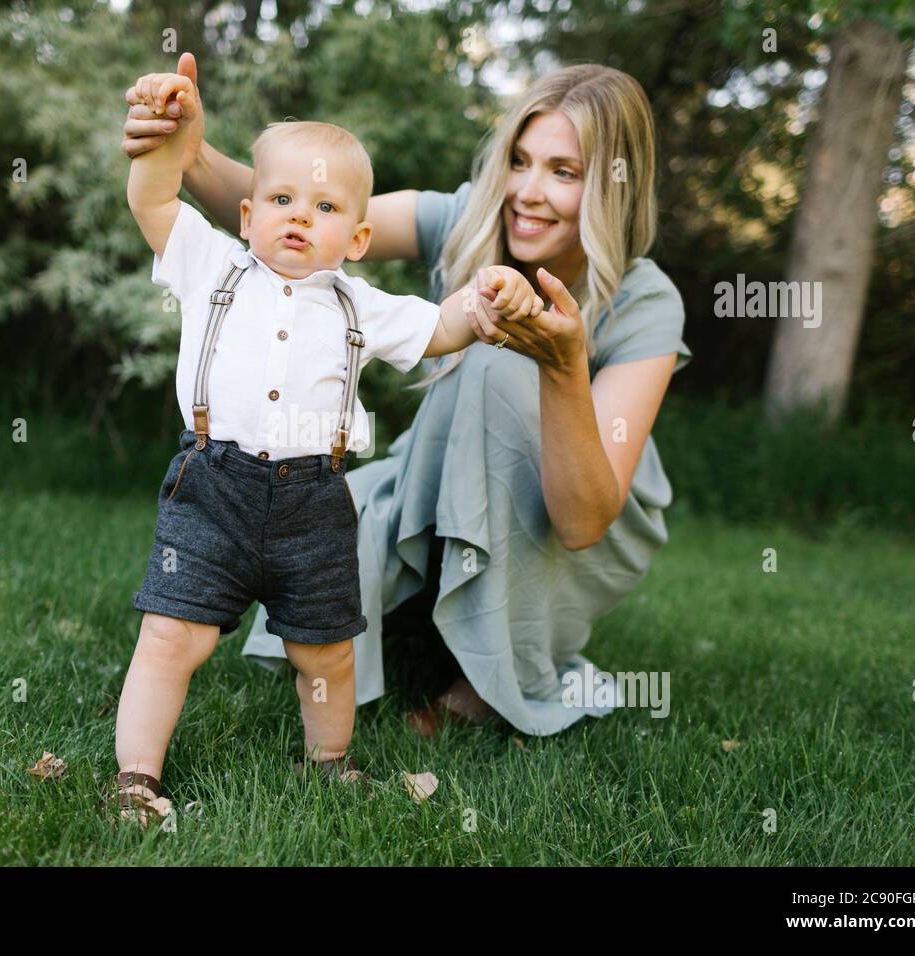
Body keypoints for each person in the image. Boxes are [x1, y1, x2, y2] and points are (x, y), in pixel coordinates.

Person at [123, 54, 692, 741]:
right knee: (331, 512)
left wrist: (566, 366)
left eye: (563, 172)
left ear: (612, 184)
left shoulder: (646, 300)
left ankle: (484, 685)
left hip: (583, 514)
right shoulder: (467, 218)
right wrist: (190, 151)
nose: (527, 191)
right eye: (519, 160)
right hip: (446, 469)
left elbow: (583, 521)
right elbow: (309, 208)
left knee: (492, 361)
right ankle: (396, 640)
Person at [109, 71, 543, 825]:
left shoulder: (359, 304)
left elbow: (439, 329)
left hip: (314, 504)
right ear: (247, 216)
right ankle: (137, 778)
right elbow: (151, 198)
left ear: (359, 237)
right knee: (171, 632)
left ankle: (330, 764)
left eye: (325, 206)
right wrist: (163, 132)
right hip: (211, 489)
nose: (299, 217)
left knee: (327, 650)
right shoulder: (214, 266)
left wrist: (482, 303)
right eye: (281, 201)